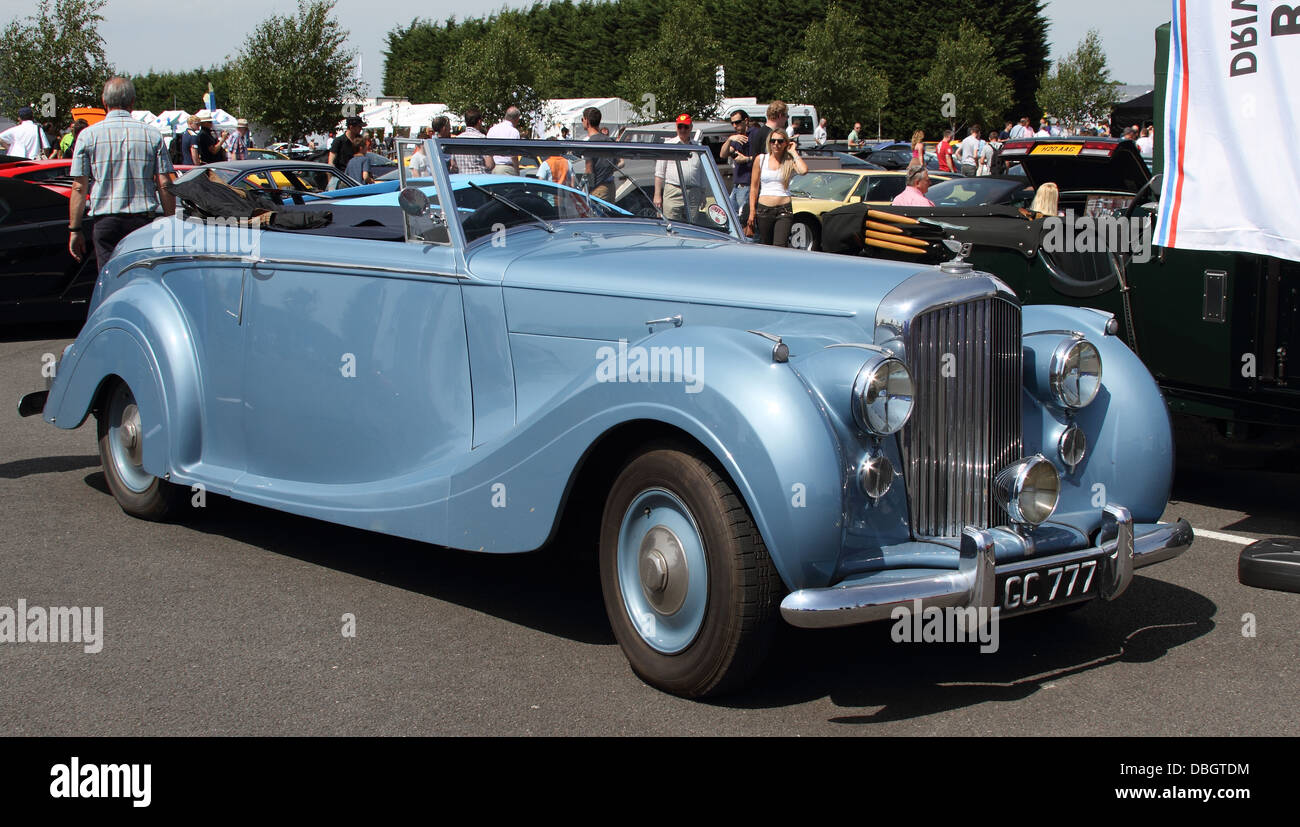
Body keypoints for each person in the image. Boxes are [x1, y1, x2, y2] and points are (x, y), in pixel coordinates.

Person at [67, 77, 175, 274]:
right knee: (141, 277)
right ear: (132, 102)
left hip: (106, 221)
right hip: (142, 222)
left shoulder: (87, 136)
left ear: (104, 102)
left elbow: (79, 187)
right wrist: (171, 222)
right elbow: (164, 182)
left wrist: (74, 229)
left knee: (110, 278)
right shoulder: (152, 134)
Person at [746, 129, 807, 246]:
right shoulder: (761, 159)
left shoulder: (789, 160)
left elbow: (804, 170)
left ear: (786, 143)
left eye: (780, 141)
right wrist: (752, 212)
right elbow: (754, 187)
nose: (776, 144)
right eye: (773, 141)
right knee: (766, 245)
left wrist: (794, 152)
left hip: (784, 209)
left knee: (780, 246)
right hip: (764, 209)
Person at [654, 114, 705, 221]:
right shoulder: (668, 145)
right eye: (680, 126)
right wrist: (657, 195)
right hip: (673, 191)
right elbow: (659, 173)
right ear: (676, 127)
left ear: (691, 127)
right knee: (671, 225)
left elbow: (702, 173)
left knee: (692, 227)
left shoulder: (698, 147)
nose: (683, 130)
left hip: (693, 194)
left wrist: (703, 194)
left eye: (686, 127)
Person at [719, 109, 753, 217]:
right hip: (737, 185)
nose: (734, 126)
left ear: (746, 121)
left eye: (737, 122)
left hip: (748, 184)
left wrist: (747, 159)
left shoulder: (755, 134)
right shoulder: (737, 138)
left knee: (741, 220)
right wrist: (729, 139)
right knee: (731, 218)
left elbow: (763, 156)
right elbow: (723, 154)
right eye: (732, 123)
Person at [582, 106, 617, 201]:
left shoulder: (590, 143)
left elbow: (589, 170)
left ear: (587, 121)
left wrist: (586, 190)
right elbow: (616, 163)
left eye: (582, 119)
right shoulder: (609, 140)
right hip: (610, 186)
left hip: (597, 189)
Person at [450, 107, 491, 174]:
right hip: (480, 179)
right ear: (479, 122)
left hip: (463, 180)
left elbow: (453, 164)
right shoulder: (482, 138)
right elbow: (489, 164)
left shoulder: (457, 139)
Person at [487, 106, 522, 174]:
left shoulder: (492, 129)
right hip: (508, 169)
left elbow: (488, 153)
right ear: (516, 119)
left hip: (494, 168)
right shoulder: (514, 132)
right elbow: (514, 155)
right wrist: (517, 171)